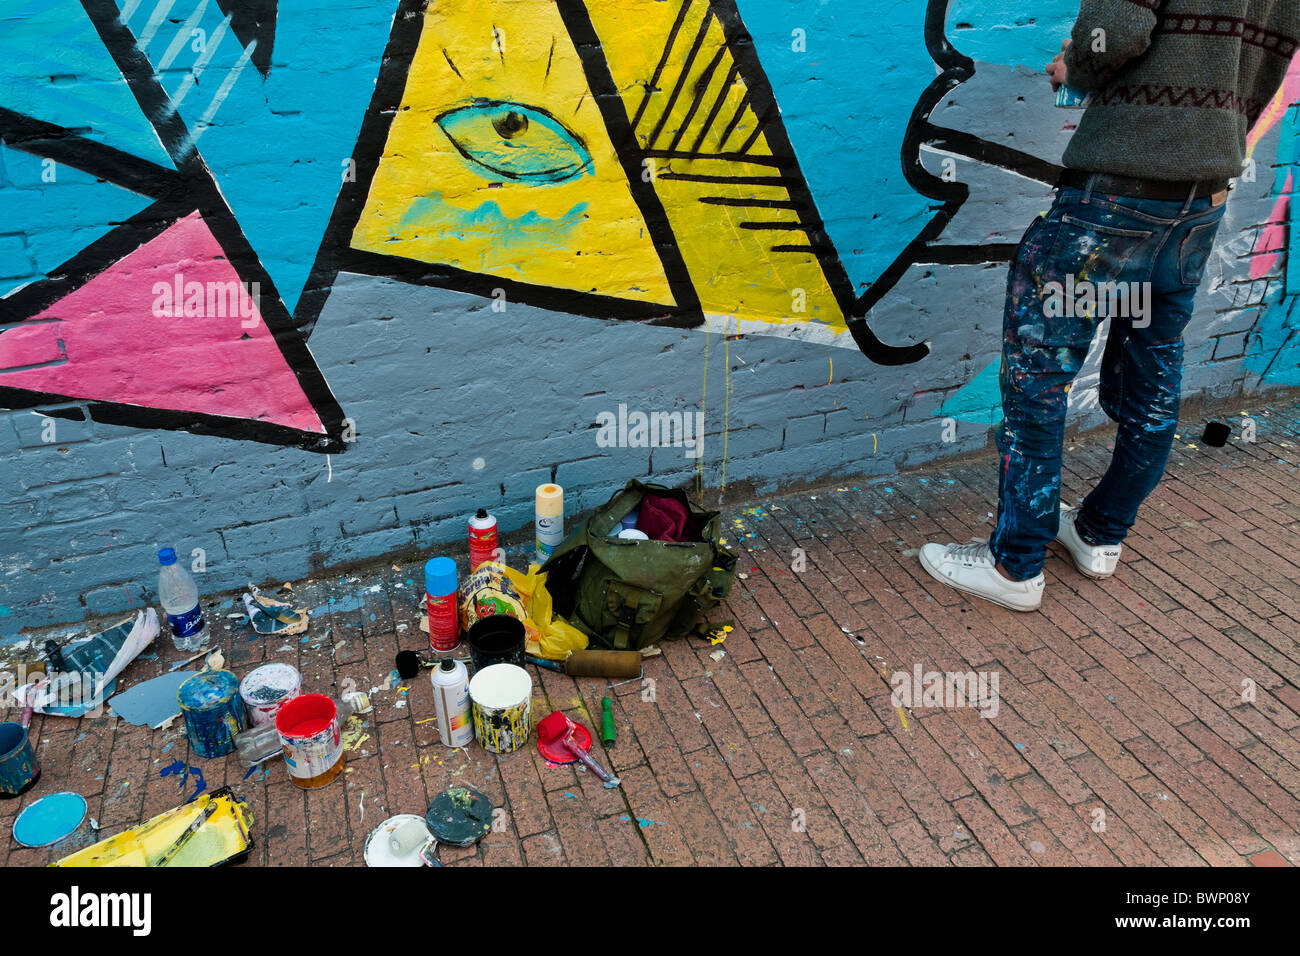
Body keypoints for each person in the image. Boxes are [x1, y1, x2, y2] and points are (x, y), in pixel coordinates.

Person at [920, 1, 1300, 611]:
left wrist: (1073, 65)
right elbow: (1267, 65)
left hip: (1111, 207)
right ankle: (1099, 535)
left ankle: (1014, 566)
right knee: (1154, 374)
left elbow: (1113, 35)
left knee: (1036, 381)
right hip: (1196, 208)